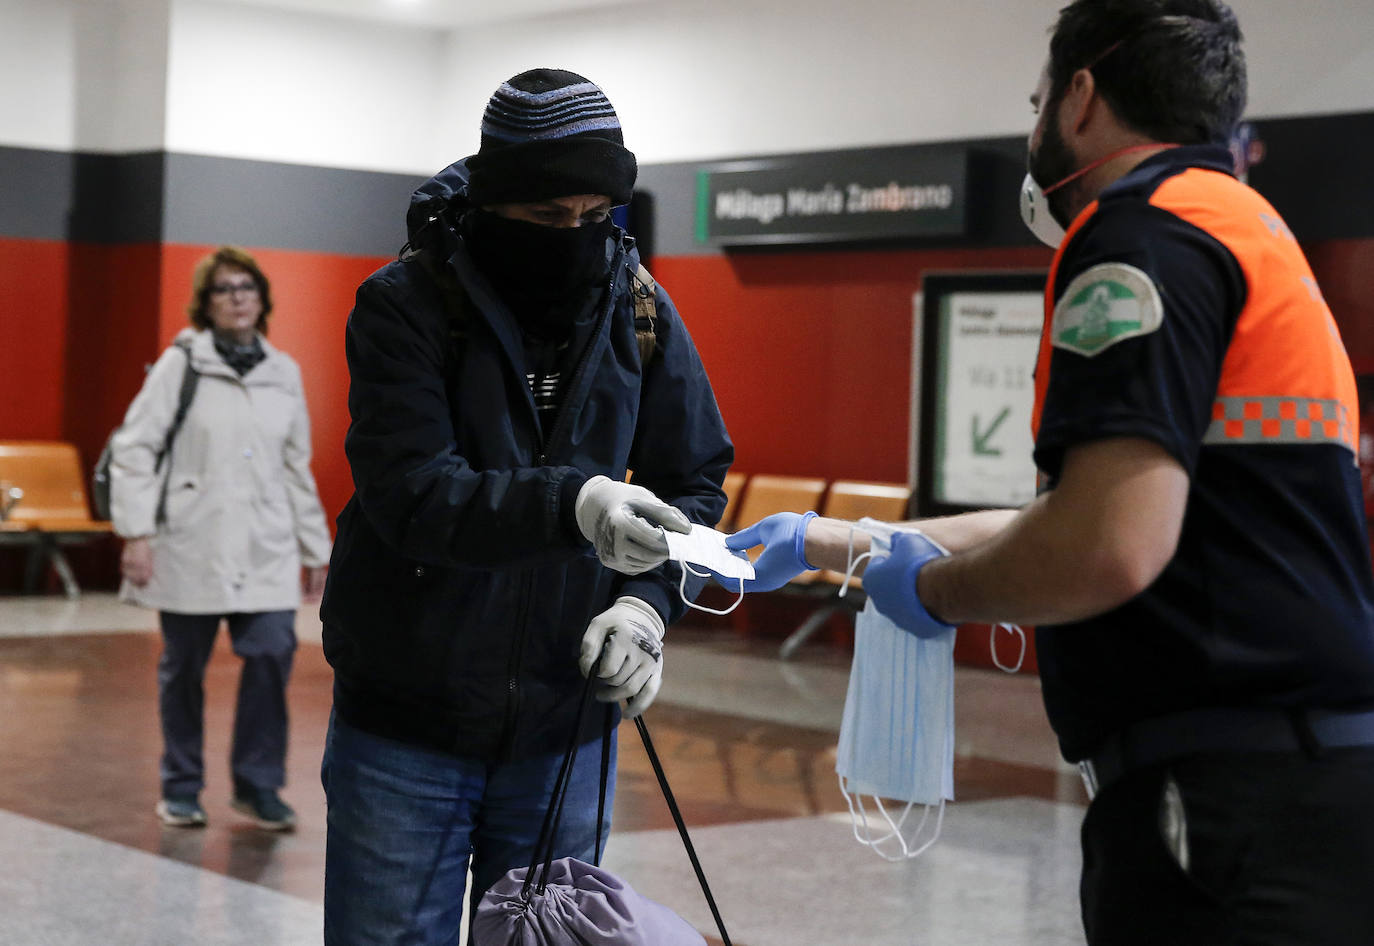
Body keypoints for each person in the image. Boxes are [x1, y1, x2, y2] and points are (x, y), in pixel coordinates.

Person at [724, 2, 1374, 942]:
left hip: (1222, 800)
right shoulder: (1249, 231)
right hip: (1303, 784)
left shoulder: (1139, 236)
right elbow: (1087, 511)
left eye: (1035, 103)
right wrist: (841, 543)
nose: (1033, 131)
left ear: (1079, 97)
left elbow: (1107, 546)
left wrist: (936, 592)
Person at [317, 68, 733, 945]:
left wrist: (645, 606)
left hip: (566, 729)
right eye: (549, 218)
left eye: (595, 215)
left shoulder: (637, 303)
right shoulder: (405, 304)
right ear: (496, 200)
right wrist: (574, 503)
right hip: (406, 729)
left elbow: (693, 479)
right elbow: (411, 493)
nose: (575, 235)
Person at [109, 245, 333, 831]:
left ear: (262, 299)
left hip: (265, 545)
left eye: (247, 287)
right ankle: (181, 786)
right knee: (183, 668)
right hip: (192, 541)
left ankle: (258, 786)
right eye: (224, 289)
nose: (238, 297)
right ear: (206, 304)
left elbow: (295, 465)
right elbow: (134, 451)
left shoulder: (283, 371)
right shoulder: (180, 364)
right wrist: (136, 534)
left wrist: (316, 548)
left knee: (269, 656)